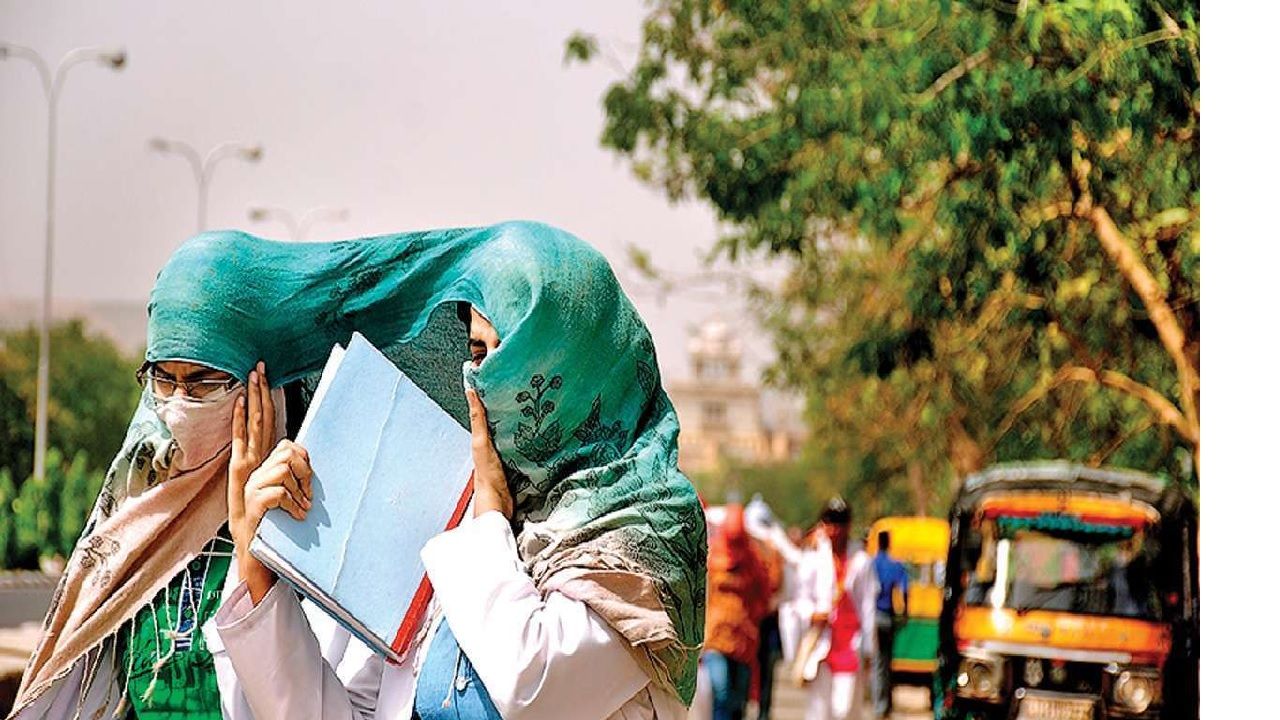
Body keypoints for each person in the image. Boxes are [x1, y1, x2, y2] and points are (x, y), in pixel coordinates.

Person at [9, 354, 287, 718]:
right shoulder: (135, 522)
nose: (178, 405)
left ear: (258, 391)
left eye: (203, 383)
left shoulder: (300, 527)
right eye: (164, 381)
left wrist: (252, 538)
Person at [799, 498, 875, 720]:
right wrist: (812, 613)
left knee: (844, 710)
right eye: (830, 523)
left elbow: (868, 607)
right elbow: (800, 600)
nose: (834, 530)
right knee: (819, 712)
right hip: (822, 644)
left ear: (849, 526)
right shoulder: (813, 560)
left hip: (850, 645)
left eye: (840, 524)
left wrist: (869, 649)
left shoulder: (861, 561)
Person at [701, 504, 770, 720]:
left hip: (744, 641)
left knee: (739, 700)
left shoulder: (754, 560)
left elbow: (764, 593)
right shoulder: (711, 557)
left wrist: (751, 618)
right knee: (720, 693)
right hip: (716, 639)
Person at [871, 530, 910, 720]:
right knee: (887, 662)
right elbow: (904, 589)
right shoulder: (896, 565)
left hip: (874, 616)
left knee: (877, 662)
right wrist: (905, 612)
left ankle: (879, 705)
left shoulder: (871, 564)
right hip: (889, 617)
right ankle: (886, 704)